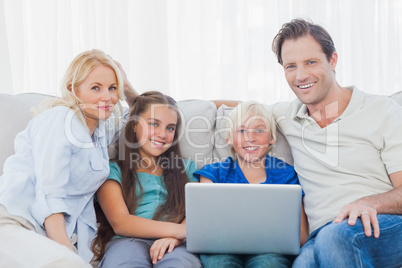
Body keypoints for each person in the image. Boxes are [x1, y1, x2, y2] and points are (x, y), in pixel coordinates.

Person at [270, 18, 402, 267]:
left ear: (332, 60)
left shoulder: (382, 111)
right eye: (290, 66)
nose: (301, 76)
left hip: (383, 223)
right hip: (321, 235)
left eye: (311, 62)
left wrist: (368, 202)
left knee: (336, 236)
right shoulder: (286, 116)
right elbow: (238, 110)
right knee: (304, 263)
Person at [0, 49, 130, 267]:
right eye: (96, 87)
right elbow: (49, 196)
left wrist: (126, 87)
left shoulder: (99, 128)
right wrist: (68, 254)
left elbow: (141, 115)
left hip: (40, 232)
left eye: (112, 88)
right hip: (14, 222)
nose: (107, 97)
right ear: (73, 89)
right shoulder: (59, 120)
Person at [92, 91, 202, 268]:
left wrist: (176, 238)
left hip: (176, 245)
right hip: (128, 241)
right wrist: (181, 231)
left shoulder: (187, 168)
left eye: (170, 128)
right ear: (134, 125)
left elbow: (196, 214)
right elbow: (121, 222)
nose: (162, 134)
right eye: (153, 124)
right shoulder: (113, 170)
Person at [194, 101, 308, 268]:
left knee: (269, 263)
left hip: (270, 250)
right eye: (241, 130)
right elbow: (201, 229)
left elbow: (302, 235)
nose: (250, 137)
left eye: (259, 130)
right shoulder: (215, 174)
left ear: (272, 138)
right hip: (221, 250)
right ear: (229, 139)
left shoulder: (287, 175)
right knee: (221, 263)